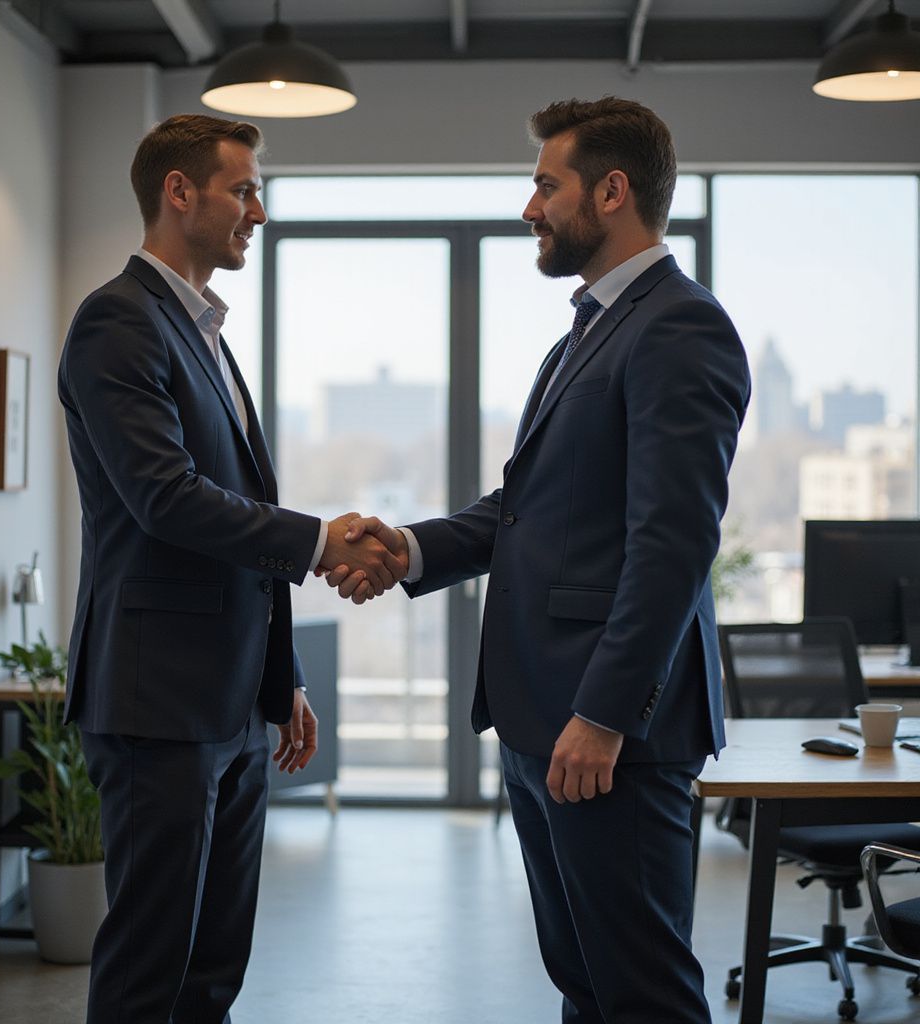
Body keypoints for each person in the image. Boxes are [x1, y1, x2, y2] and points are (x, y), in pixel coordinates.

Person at [328, 97, 750, 1022]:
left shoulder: (681, 327)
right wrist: (409, 549)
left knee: (642, 992)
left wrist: (603, 715)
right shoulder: (586, 333)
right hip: (541, 723)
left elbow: (673, 545)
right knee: (584, 984)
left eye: (543, 185)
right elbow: (525, 512)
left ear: (610, 190)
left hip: (606, 736)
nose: (529, 208)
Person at [58, 114, 406, 1024]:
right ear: (181, 192)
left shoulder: (201, 330)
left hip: (229, 706)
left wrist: (275, 680)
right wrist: (322, 540)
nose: (258, 210)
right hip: (157, 706)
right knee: (150, 973)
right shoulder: (117, 322)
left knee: (214, 971)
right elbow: (166, 499)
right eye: (244, 190)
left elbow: (231, 528)